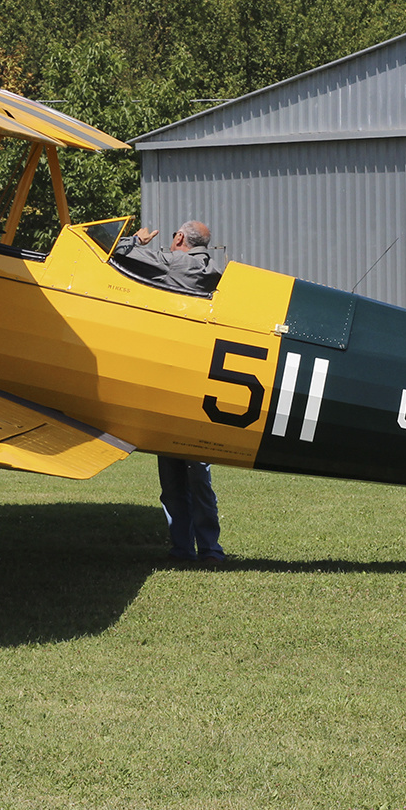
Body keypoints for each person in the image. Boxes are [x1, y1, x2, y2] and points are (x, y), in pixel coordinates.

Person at [113, 220, 226, 564]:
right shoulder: (210, 268)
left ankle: (186, 548)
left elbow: (119, 255)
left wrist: (137, 239)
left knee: (175, 482)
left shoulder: (177, 263)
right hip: (197, 391)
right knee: (198, 479)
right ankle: (208, 548)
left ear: (179, 238)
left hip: (171, 391)